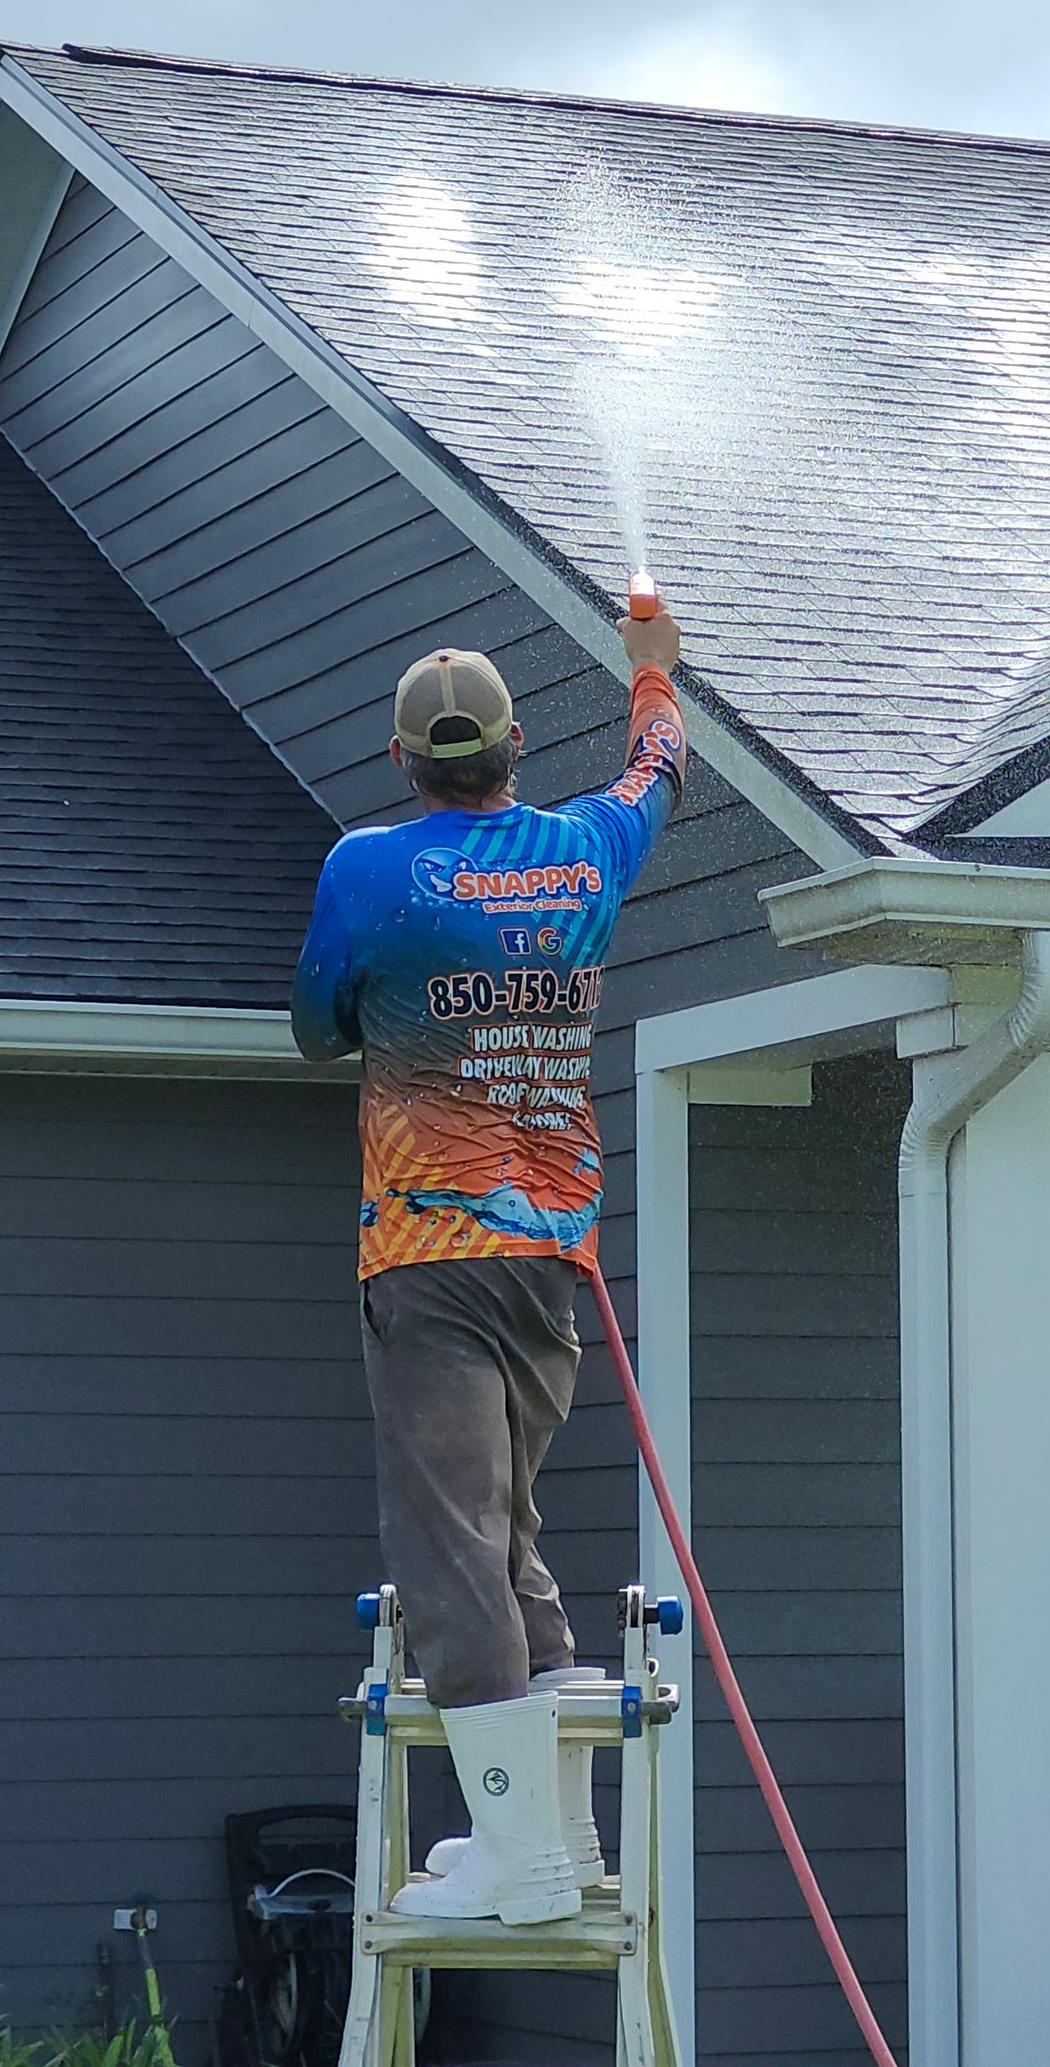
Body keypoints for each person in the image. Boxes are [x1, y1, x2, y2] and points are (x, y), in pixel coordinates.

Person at [290, 599, 686, 1927]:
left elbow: (312, 1027)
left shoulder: (368, 867)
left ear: (407, 761)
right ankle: (552, 1851)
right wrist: (649, 669)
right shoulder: (586, 851)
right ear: (515, 744)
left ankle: (517, 1866)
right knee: (509, 1538)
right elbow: (659, 769)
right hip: (550, 1263)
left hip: (431, 1257)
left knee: (450, 1554)